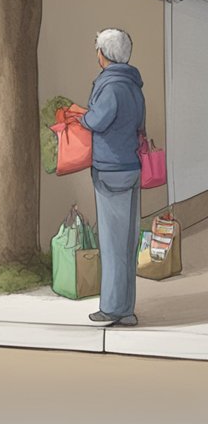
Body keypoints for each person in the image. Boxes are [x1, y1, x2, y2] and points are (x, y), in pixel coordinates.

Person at [81, 28, 145, 328]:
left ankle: (111, 308)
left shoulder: (110, 86)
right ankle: (128, 309)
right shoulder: (134, 86)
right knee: (128, 242)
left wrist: (82, 117)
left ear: (103, 55)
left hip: (110, 169)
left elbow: (97, 120)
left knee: (111, 242)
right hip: (132, 167)